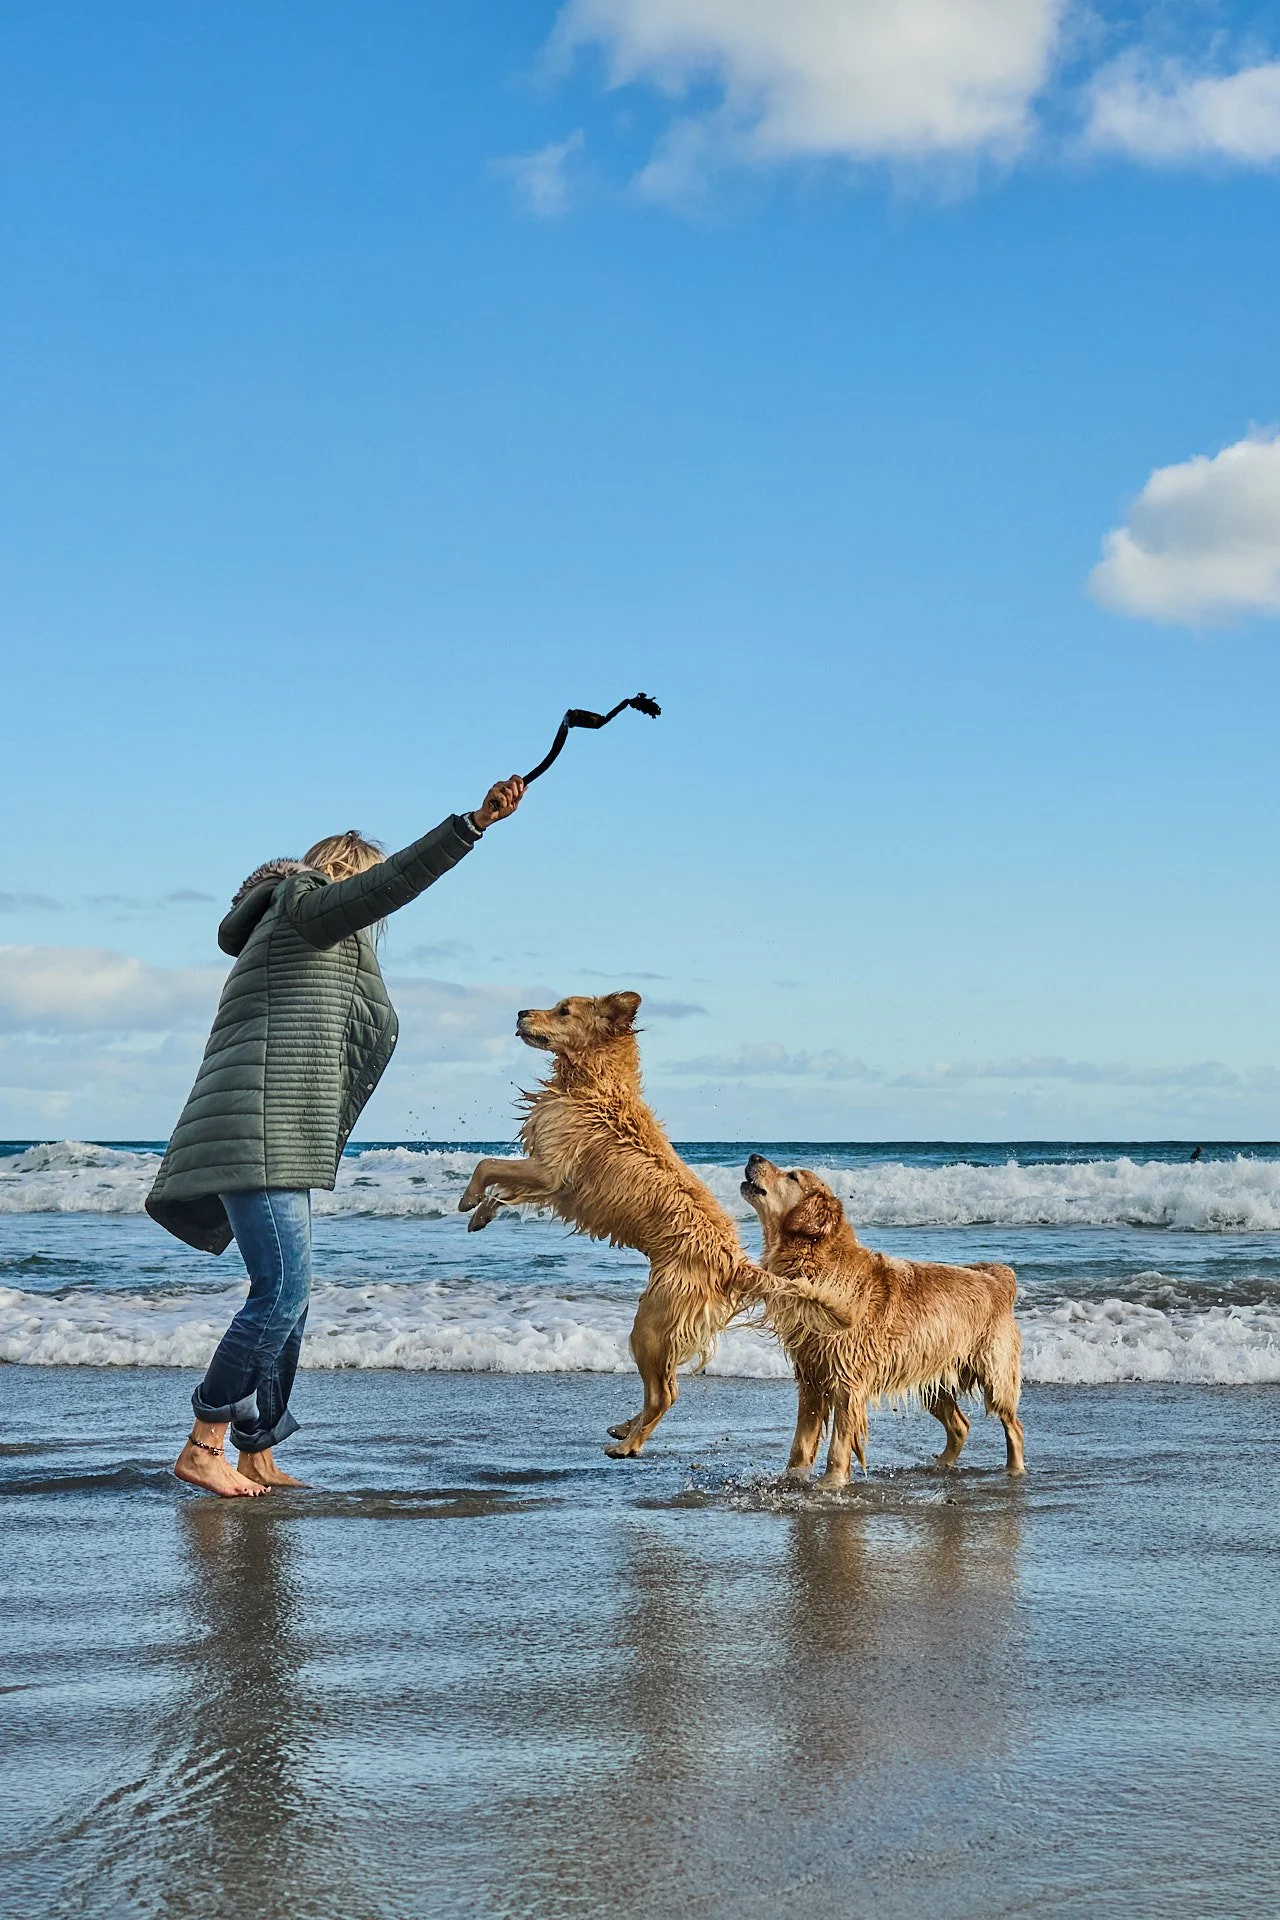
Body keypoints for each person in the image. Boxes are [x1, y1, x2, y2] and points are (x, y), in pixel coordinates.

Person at [147, 777, 525, 1496]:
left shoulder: (311, 943)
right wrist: (472, 825)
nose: (366, 904)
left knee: (293, 1297)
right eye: (361, 883)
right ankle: (204, 1444)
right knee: (280, 1292)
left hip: (279, 1132)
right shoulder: (301, 905)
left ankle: (257, 1449)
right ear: (339, 875)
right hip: (259, 1129)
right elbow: (388, 887)